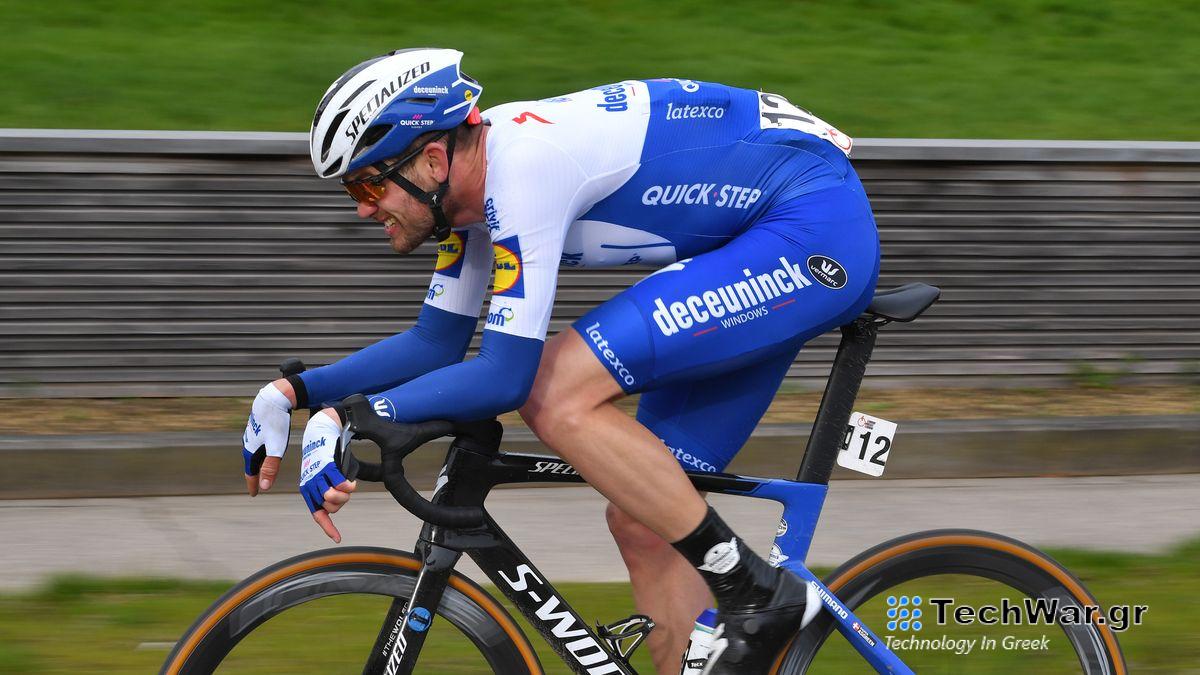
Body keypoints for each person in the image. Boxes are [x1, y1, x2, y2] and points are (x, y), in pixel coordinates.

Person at [240, 48, 879, 674]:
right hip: (755, 240)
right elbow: (433, 343)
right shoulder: (468, 205)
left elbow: (506, 376)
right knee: (645, 518)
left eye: (368, 182)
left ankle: (759, 593)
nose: (361, 206)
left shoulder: (523, 169)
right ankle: (735, 613)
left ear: (432, 159)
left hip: (810, 228)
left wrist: (356, 416)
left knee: (552, 389)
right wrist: (293, 394)